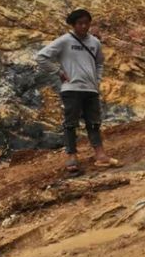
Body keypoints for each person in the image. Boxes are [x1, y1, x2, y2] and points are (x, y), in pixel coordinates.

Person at [36, 9, 121, 173]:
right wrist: (58, 72)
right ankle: (72, 156)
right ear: (73, 25)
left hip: (91, 89)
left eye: (86, 23)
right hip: (72, 88)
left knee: (94, 123)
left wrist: (96, 80)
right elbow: (41, 56)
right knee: (70, 123)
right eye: (80, 23)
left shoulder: (95, 42)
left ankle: (100, 155)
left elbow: (99, 63)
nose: (84, 26)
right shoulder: (65, 41)